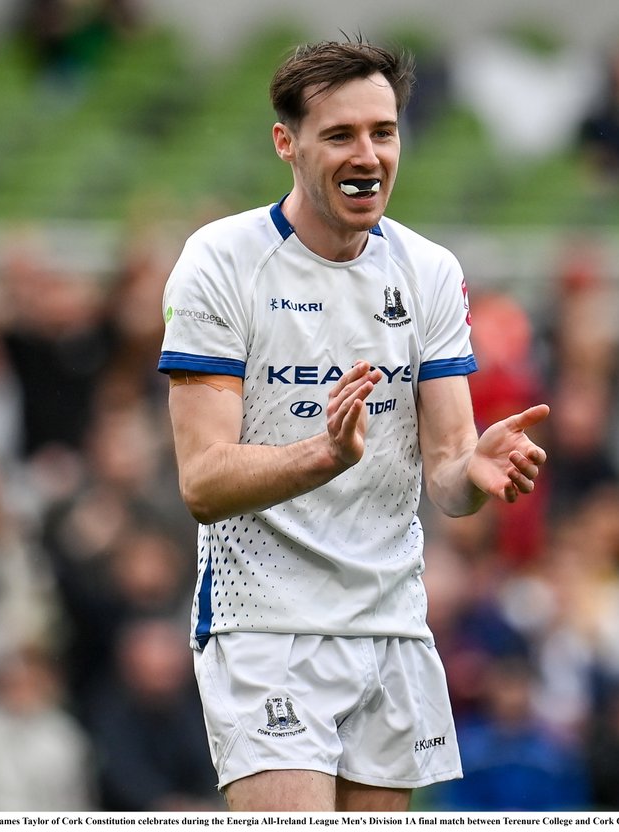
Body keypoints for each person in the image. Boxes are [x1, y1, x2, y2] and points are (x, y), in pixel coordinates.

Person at [157, 38, 550, 812]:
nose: (367, 153)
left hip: (391, 625)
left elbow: (444, 475)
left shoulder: (429, 271)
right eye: (340, 135)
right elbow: (202, 483)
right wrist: (324, 454)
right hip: (264, 624)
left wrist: (474, 473)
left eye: (384, 131)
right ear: (287, 144)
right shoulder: (221, 262)